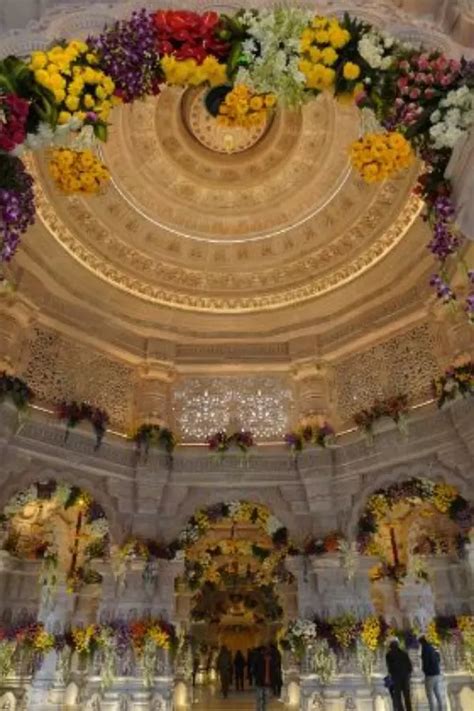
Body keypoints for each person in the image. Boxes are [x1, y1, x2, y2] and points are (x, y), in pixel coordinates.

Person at [385, 638, 413, 711]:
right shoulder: (404, 653)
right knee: (407, 697)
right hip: (405, 677)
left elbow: (389, 667)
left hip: (396, 678)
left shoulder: (388, 655)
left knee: (398, 698)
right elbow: (410, 666)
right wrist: (408, 675)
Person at [419, 635, 446, 711]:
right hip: (437, 673)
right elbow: (438, 658)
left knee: (430, 694)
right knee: (437, 693)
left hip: (430, 675)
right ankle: (441, 709)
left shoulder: (425, 649)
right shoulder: (432, 647)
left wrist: (425, 671)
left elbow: (426, 662)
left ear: (421, 642)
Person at [254, 645, 272, 710]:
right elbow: (255, 669)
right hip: (260, 681)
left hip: (267, 682)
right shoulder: (259, 659)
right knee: (259, 698)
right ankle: (259, 709)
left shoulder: (271, 660)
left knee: (265, 699)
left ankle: (264, 709)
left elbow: (272, 670)